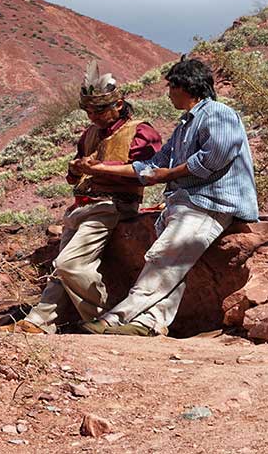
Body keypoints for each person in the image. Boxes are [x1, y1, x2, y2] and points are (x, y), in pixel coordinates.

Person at [74, 56, 258, 337]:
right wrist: (97, 167)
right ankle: (148, 323)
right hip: (184, 203)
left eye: (171, 86)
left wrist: (168, 175)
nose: (168, 93)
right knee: (174, 266)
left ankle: (116, 317)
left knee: (164, 258)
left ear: (185, 86)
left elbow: (214, 158)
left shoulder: (218, 113)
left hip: (209, 203)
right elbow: (153, 165)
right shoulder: (185, 125)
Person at [2, 61, 162, 334]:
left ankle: (101, 317)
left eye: (99, 109)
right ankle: (41, 321)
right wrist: (76, 170)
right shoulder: (89, 134)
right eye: (88, 110)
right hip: (82, 205)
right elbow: (75, 173)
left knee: (69, 264)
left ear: (119, 104)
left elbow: (149, 171)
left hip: (112, 205)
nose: (93, 116)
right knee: (59, 268)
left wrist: (100, 169)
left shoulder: (139, 131)